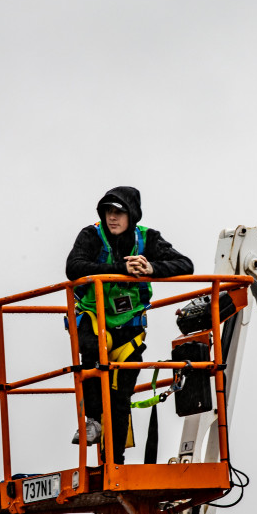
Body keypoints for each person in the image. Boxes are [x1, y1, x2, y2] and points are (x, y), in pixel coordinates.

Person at [65, 186, 193, 464]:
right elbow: (73, 267)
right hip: (94, 318)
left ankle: (115, 463)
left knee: (120, 396)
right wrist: (120, 270)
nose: (112, 217)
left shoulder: (147, 238)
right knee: (91, 356)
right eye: (108, 211)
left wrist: (151, 268)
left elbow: (185, 265)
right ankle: (93, 421)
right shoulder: (91, 235)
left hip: (130, 326)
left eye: (119, 212)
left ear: (132, 215)